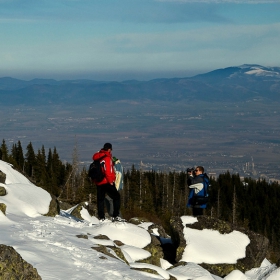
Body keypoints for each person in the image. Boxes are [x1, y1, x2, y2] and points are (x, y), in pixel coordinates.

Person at [92, 143, 123, 222]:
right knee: (116, 197)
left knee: (100, 199)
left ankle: (101, 217)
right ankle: (115, 215)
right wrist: (111, 181)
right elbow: (108, 171)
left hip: (98, 181)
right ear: (109, 149)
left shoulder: (98, 156)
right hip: (106, 181)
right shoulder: (107, 157)